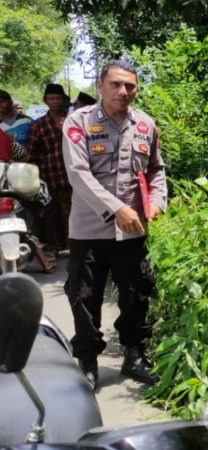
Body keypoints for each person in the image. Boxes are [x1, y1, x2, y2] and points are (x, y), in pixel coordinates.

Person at [62, 60, 167, 390]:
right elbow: (78, 174)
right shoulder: (78, 122)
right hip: (89, 229)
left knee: (137, 293)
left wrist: (158, 201)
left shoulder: (146, 125)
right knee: (84, 297)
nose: (123, 92)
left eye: (130, 86)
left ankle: (134, 356)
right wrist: (117, 208)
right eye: (116, 85)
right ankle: (88, 361)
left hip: (133, 230)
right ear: (100, 86)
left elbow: (156, 170)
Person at [28, 84, 72, 257]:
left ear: (63, 100)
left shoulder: (72, 120)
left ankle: (74, 247)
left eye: (58, 98)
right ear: (45, 101)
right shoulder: (38, 125)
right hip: (49, 176)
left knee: (73, 213)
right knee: (51, 215)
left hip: (71, 175)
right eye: (51, 98)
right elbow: (32, 154)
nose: (55, 102)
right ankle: (54, 247)